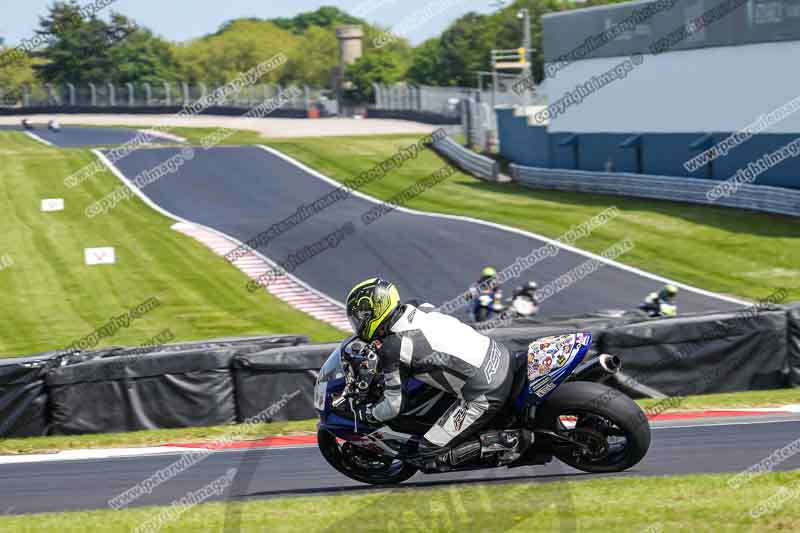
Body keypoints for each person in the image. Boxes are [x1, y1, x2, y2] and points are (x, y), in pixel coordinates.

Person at [345, 277, 529, 468]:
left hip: (486, 390)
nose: (358, 323)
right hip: (499, 353)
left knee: (429, 452)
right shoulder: (417, 306)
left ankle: (514, 440)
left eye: (360, 317)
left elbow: (394, 404)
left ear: (376, 312)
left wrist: (370, 414)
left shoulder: (394, 348)